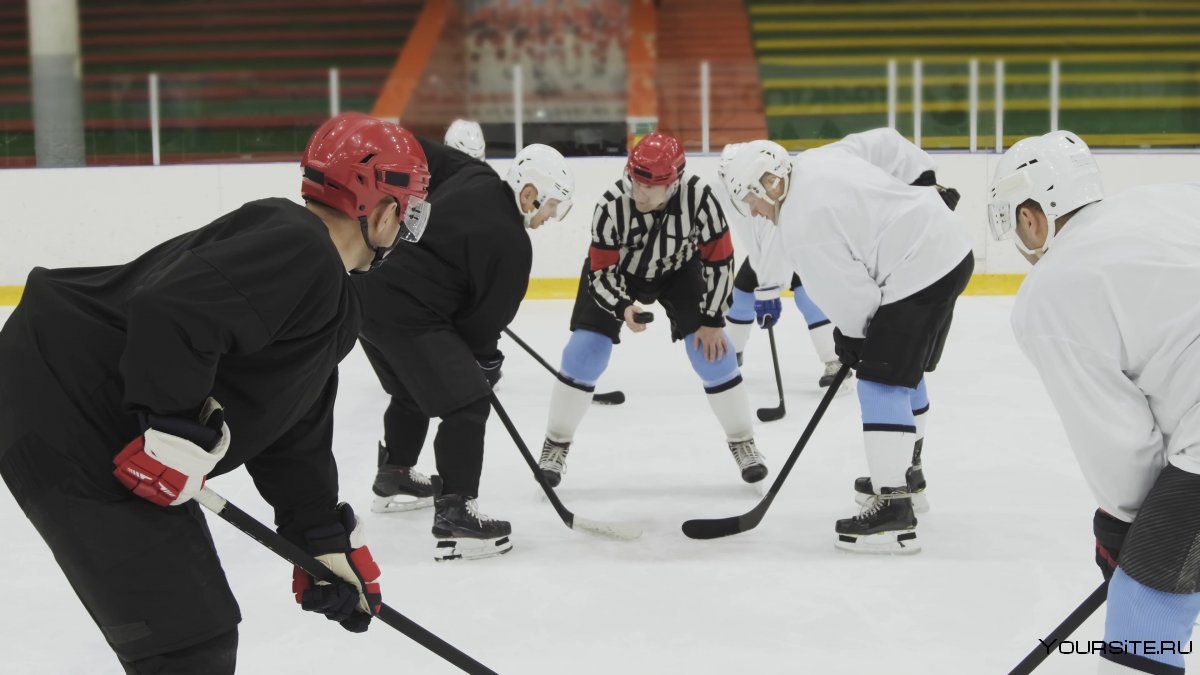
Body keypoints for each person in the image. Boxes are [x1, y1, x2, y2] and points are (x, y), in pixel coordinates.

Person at [0, 111, 432, 673]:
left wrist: (319, 534)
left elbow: (292, 426)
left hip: (86, 412)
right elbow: (172, 314)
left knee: (195, 637)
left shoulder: (330, 295)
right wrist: (174, 426)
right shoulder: (300, 248)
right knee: (187, 644)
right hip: (66, 408)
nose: (406, 231)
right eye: (412, 215)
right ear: (384, 208)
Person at [995, 130, 1200, 675]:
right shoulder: (1167, 198)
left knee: (1145, 601)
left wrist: (1130, 530)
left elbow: (1121, 445)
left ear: (1032, 217)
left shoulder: (1054, 290)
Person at [722, 128, 971, 554]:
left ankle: (893, 505)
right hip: (947, 248)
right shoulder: (817, 159)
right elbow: (887, 142)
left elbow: (858, 302)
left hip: (918, 271)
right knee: (902, 370)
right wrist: (924, 180)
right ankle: (907, 471)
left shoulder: (803, 226)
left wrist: (856, 342)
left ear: (770, 182)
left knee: (881, 379)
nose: (755, 211)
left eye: (751, 199)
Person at [356, 140, 574, 561]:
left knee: (410, 389)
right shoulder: (513, 246)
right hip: (409, 313)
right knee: (469, 404)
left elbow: (418, 152)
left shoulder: (474, 174)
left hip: (365, 290)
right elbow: (480, 334)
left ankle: (395, 473)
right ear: (529, 193)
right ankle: (457, 513)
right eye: (551, 207)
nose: (548, 219)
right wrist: (483, 369)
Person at [538, 130, 768, 488]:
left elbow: (721, 262)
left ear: (673, 183)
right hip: (620, 276)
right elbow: (600, 271)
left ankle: (743, 442)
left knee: (714, 354)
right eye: (635, 180)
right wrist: (622, 306)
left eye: (651, 186)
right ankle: (555, 444)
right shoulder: (612, 204)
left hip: (679, 270)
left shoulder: (700, 199)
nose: (639, 192)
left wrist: (711, 319)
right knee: (584, 353)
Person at [716, 142, 850, 393]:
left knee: (808, 298)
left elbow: (774, 241)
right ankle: (732, 354)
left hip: (793, 250)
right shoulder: (732, 191)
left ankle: (835, 361)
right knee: (741, 296)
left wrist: (768, 292)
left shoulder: (764, 187)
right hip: (761, 258)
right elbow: (757, 241)